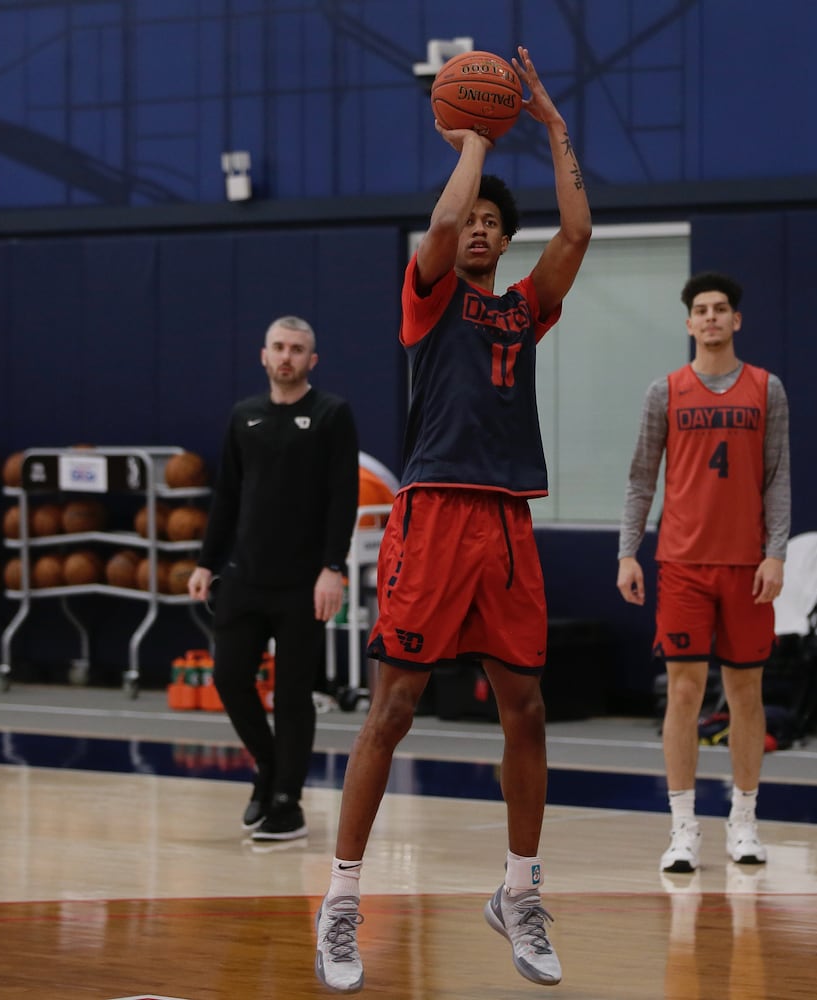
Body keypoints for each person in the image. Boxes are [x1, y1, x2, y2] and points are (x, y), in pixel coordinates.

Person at [314, 45, 591, 994]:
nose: (474, 228)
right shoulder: (426, 299)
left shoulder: (522, 310)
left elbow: (578, 236)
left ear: (504, 240)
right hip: (432, 515)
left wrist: (552, 131)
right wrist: (472, 135)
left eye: (488, 223)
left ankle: (518, 891)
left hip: (508, 522)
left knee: (528, 710)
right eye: (467, 219)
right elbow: (436, 216)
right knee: (392, 709)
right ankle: (343, 900)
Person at [616, 271, 791, 874]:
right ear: (688, 323)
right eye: (701, 310)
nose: (712, 317)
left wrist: (777, 552)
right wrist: (627, 552)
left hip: (746, 563)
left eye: (721, 309)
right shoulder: (664, 392)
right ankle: (683, 827)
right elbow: (641, 478)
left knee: (746, 693)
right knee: (684, 692)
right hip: (683, 562)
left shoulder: (767, 389)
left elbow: (777, 477)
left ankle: (743, 821)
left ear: (736, 320)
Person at [188, 316, 359, 843]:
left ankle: (287, 802)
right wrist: (207, 561)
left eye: (298, 349)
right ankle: (269, 770)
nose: (287, 356)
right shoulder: (245, 417)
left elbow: (342, 497)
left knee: (291, 695)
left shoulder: (332, 415)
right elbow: (228, 497)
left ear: (313, 359)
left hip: (304, 582)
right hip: (244, 576)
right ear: (264, 355)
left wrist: (333, 568)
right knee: (229, 679)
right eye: (279, 347)